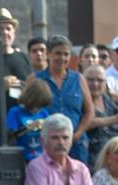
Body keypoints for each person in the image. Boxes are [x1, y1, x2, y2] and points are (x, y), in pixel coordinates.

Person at [23, 114, 95, 185]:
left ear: (71, 140)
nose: (61, 142)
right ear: (43, 141)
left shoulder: (81, 169)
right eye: (55, 138)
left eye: (65, 138)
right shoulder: (37, 167)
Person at [32, 35, 94, 163]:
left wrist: (77, 135)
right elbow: (26, 109)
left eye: (66, 54)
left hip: (76, 146)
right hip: (45, 146)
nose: (62, 58)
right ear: (48, 54)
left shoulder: (79, 79)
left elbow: (89, 112)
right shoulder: (36, 79)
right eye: (58, 53)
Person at [7, 79, 53, 162]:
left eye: (41, 106)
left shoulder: (44, 113)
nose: (38, 110)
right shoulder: (15, 112)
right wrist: (28, 128)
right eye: (36, 106)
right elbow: (10, 136)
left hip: (41, 158)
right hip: (23, 158)